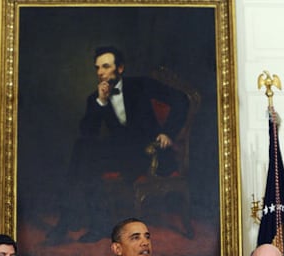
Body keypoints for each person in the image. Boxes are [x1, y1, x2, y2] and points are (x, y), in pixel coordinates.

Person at [49, 45, 189, 243]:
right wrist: (101, 102)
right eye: (97, 68)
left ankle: (75, 222)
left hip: (150, 152)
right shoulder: (95, 97)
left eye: (106, 66)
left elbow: (182, 100)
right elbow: (88, 132)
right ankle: (81, 222)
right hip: (122, 154)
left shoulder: (142, 85)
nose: (100, 73)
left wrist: (168, 132)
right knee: (83, 149)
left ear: (120, 68)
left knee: (85, 157)